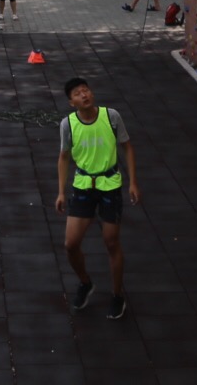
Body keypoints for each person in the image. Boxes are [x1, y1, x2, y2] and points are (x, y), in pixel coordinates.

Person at [54, 76, 139, 320]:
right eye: (77, 93)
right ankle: (85, 282)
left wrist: (133, 182)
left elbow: (127, 147)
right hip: (83, 186)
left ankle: (117, 295)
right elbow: (63, 157)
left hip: (110, 185)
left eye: (86, 90)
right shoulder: (68, 124)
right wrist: (61, 192)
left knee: (111, 243)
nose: (84, 95)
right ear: (71, 103)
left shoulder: (111, 116)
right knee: (70, 244)